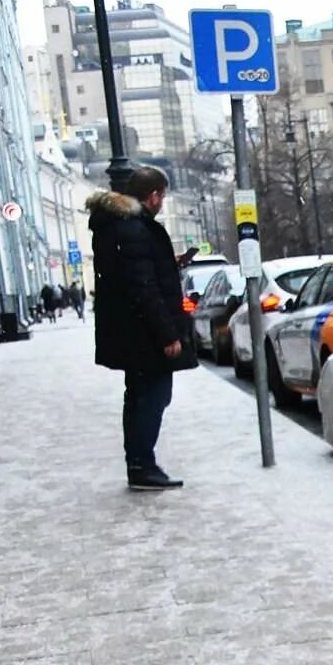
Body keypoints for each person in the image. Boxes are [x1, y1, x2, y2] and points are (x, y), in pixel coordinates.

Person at [87, 165, 195, 491]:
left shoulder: (118, 227)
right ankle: (142, 465)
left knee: (138, 397)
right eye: (162, 195)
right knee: (152, 397)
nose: (162, 202)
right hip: (144, 335)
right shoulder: (135, 229)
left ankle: (139, 463)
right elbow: (142, 288)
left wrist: (168, 262)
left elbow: (135, 275)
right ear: (154, 195)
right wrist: (168, 335)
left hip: (130, 332)